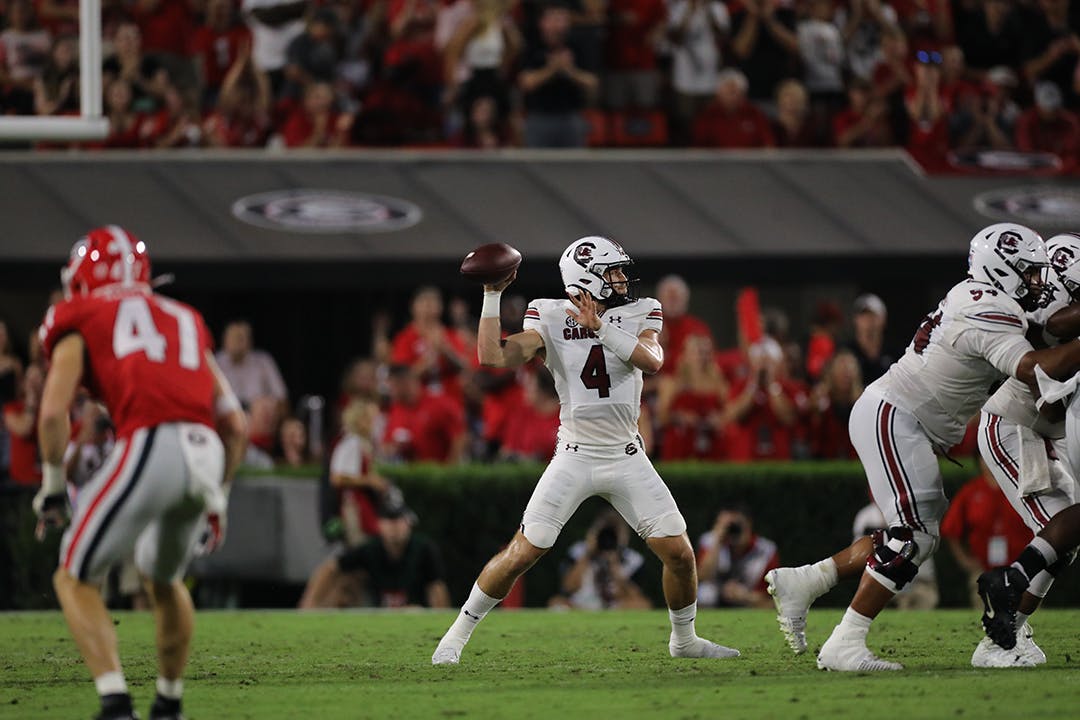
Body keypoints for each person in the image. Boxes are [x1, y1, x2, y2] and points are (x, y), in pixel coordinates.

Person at [764, 223, 1080, 671]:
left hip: (900, 416)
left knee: (914, 535)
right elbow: (1031, 367)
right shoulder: (990, 308)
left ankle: (810, 580)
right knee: (914, 536)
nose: (1038, 283)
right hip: (897, 415)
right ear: (1001, 270)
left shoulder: (984, 297)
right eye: (1029, 273)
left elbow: (1046, 325)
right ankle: (845, 642)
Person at [432, 235, 740, 665]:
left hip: (626, 454)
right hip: (574, 454)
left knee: (681, 555)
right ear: (586, 279)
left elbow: (652, 361)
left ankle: (684, 640)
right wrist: (491, 295)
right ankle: (456, 636)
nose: (620, 280)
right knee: (524, 550)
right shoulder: (549, 314)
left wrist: (601, 327)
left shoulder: (641, 309)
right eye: (611, 272)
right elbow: (492, 357)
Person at [33, 226, 247, 720]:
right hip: (205, 451)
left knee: (73, 577)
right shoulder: (184, 316)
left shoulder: (79, 313)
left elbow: (50, 414)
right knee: (163, 579)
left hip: (152, 441)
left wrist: (51, 487)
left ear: (81, 279)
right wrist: (219, 498)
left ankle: (114, 704)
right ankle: (169, 704)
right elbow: (234, 424)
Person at [967, 232, 1080, 667]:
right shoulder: (1051, 308)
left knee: (1066, 535)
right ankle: (1001, 636)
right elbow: (1057, 322)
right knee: (1066, 525)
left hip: (1042, 430)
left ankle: (1008, 627)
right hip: (1014, 427)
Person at [299, 494, 450, 609]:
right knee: (342, 585)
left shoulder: (424, 549)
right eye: (389, 520)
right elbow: (331, 568)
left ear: (408, 523)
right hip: (380, 616)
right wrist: (309, 604)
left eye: (399, 519)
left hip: (416, 614)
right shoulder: (370, 549)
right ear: (380, 524)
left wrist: (440, 619)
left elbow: (437, 587)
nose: (394, 526)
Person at [941, 457, 1033, 608]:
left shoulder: (1021, 488)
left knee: (1024, 613)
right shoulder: (971, 491)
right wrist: (964, 559)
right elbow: (951, 528)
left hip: (1020, 566)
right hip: (983, 567)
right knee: (985, 613)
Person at [549, 510, 651, 609]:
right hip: (581, 604)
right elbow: (568, 587)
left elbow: (634, 595)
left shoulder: (633, 559)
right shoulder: (578, 551)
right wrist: (587, 554)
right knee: (556, 602)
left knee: (642, 604)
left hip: (616, 606)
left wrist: (615, 566)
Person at [697, 506, 778, 608]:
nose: (733, 531)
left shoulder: (766, 551)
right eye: (727, 526)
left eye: (737, 525)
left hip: (748, 600)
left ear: (749, 524)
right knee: (705, 593)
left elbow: (771, 600)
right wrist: (717, 541)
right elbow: (702, 578)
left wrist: (746, 596)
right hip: (716, 594)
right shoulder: (709, 541)